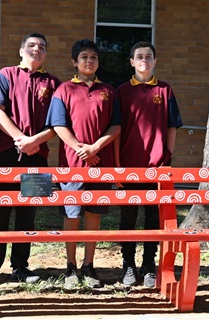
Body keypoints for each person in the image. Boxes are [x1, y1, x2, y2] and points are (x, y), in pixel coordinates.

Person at [0, 33, 61, 287]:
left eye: (42, 47)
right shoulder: (6, 75)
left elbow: (58, 122)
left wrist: (35, 142)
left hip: (38, 157)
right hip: (3, 155)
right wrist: (21, 138)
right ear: (21, 50)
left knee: (28, 214)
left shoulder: (54, 83)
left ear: (46, 54)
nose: (37, 49)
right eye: (31, 45)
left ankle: (21, 266)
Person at [46, 39, 121, 289]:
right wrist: (82, 150)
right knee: (72, 214)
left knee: (93, 215)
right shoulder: (63, 90)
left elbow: (116, 125)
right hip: (72, 165)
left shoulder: (109, 91)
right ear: (74, 62)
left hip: (101, 163)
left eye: (94, 57)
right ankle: (70, 266)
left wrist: (95, 148)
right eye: (84, 57)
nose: (89, 61)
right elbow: (58, 125)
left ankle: (89, 265)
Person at [115, 41, 183, 288]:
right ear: (132, 62)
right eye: (139, 56)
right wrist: (117, 165)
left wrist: (168, 156)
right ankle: (128, 265)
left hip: (157, 167)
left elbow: (172, 126)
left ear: (155, 61)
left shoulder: (165, 90)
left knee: (153, 218)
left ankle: (148, 265)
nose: (144, 60)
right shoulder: (121, 91)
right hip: (129, 166)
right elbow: (116, 130)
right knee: (128, 218)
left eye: (149, 56)